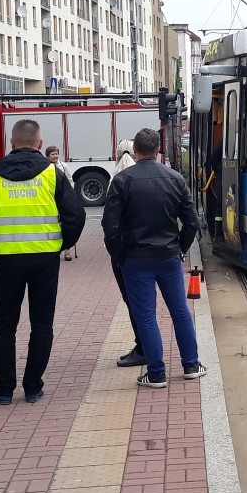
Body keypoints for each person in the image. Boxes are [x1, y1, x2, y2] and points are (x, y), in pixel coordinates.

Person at [0, 119, 85, 405]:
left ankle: (4, 389)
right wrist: (63, 243)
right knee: (41, 324)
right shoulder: (52, 174)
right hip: (45, 259)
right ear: (39, 142)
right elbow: (75, 215)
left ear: (11, 142)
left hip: (7, 261)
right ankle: (33, 386)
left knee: (4, 326)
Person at [102, 128, 205, 389]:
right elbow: (192, 222)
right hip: (169, 256)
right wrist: (180, 248)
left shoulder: (122, 181)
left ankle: (156, 373)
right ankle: (191, 365)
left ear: (135, 150)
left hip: (136, 258)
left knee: (146, 316)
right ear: (157, 150)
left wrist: (119, 255)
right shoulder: (175, 178)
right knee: (180, 311)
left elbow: (109, 226)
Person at [107, 138, 146, 369]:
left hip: (126, 253)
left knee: (133, 302)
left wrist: (116, 253)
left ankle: (143, 347)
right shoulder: (150, 178)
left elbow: (109, 225)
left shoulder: (117, 180)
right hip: (154, 252)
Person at [45, 145, 75, 262]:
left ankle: (67, 251)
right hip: (51, 200)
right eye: (52, 154)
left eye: (56, 153)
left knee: (64, 224)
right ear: (48, 156)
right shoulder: (45, 168)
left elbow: (70, 179)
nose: (55, 156)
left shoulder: (63, 166)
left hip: (62, 199)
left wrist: (70, 194)